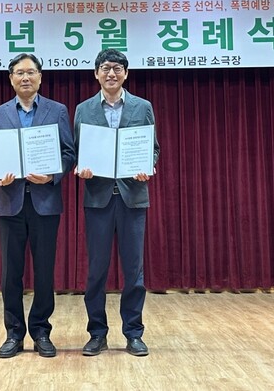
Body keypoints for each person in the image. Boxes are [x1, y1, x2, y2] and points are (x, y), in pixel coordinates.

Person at [0, 53, 75, 359]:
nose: (25, 77)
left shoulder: (57, 111)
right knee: (11, 273)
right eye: (19, 73)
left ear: (40, 77)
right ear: (11, 79)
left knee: (44, 272)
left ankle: (41, 331)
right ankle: (13, 333)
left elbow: (68, 153)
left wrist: (52, 175)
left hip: (45, 202)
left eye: (31, 72)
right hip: (10, 202)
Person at [74, 48, 160, 357]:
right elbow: (77, 149)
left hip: (132, 198)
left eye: (117, 68)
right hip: (97, 198)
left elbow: (153, 149)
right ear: (96, 73)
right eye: (106, 68)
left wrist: (147, 166)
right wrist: (81, 168)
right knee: (96, 271)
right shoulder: (83, 110)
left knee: (134, 272)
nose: (111, 73)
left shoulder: (142, 107)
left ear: (126, 73)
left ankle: (134, 333)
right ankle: (97, 333)